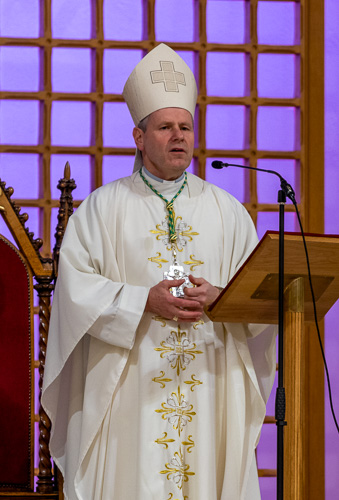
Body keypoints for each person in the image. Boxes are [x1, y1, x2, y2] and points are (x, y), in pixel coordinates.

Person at [42, 44, 276, 500]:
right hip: (130, 386)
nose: (178, 137)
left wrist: (221, 298)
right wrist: (141, 300)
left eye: (185, 127)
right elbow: (74, 292)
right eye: (165, 127)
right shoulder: (101, 210)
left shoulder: (228, 213)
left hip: (211, 384)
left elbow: (257, 298)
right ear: (138, 136)